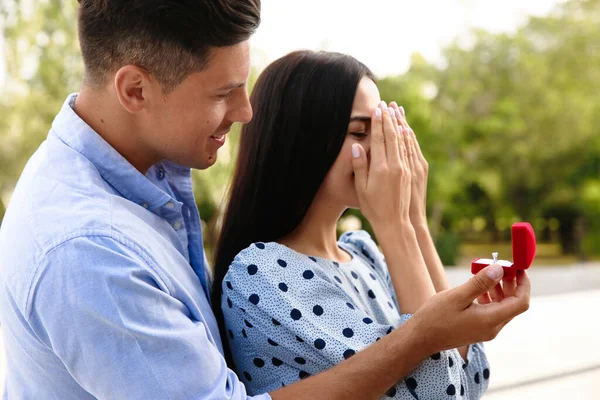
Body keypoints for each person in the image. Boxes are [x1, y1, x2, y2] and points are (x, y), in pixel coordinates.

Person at [0, 1, 530, 399]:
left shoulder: (152, 179)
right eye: (221, 93)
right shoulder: (87, 248)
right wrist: (420, 325)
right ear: (135, 90)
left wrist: (410, 223)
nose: (246, 112)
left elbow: (467, 376)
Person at [213, 51, 511, 399]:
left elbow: (469, 380)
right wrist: (396, 225)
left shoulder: (363, 253)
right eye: (360, 132)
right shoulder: (262, 272)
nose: (384, 152)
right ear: (300, 139)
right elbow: (440, 393)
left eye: (384, 131)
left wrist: (415, 220)